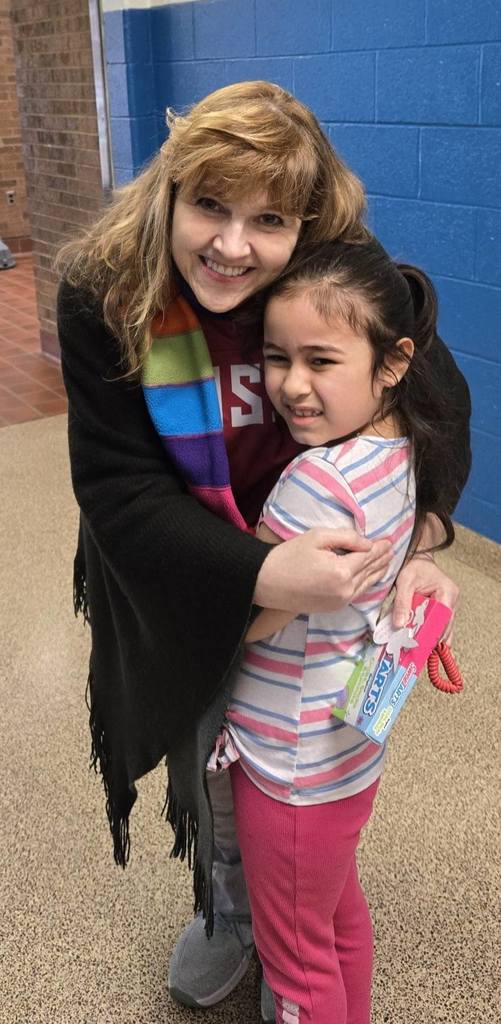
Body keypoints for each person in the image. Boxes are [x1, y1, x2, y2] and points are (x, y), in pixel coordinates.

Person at [56, 82, 470, 1022]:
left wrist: (423, 540)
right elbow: (120, 495)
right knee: (203, 750)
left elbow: (434, 401)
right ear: (168, 193)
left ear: (311, 224)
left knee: (277, 765)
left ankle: (282, 897)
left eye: (268, 219)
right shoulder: (107, 292)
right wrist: (258, 575)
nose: (232, 245)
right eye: (208, 205)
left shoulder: (337, 268)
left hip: (310, 576)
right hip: (183, 562)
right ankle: (227, 910)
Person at [202, 236, 463, 1024]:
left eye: (321, 361)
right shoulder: (399, 451)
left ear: (391, 362)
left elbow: (242, 623)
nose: (291, 387)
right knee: (337, 920)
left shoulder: (314, 479)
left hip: (287, 767)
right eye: (276, 359)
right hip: (347, 756)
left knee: (296, 962)